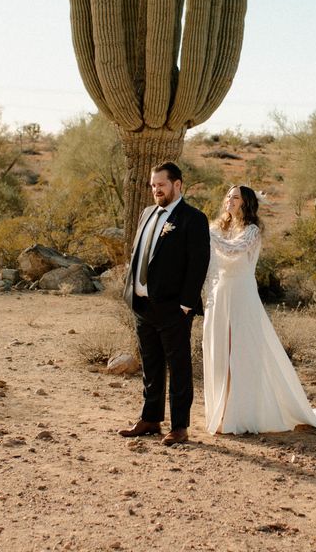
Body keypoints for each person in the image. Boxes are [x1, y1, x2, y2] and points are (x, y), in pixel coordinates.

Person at [203, 185, 316, 435]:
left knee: (239, 352)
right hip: (221, 293)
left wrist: (205, 233)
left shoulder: (252, 231)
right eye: (228, 196)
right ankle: (221, 410)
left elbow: (233, 250)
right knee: (221, 351)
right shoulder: (217, 228)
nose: (229, 200)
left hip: (241, 294)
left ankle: (236, 413)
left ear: (246, 203)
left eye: (235, 197)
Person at [120, 162, 210, 446]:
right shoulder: (147, 213)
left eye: (161, 185)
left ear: (177, 184)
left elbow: (198, 263)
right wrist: (132, 293)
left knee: (179, 367)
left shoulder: (193, 218)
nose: (156, 190)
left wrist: (186, 305)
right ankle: (150, 419)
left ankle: (180, 426)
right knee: (151, 364)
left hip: (174, 308)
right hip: (142, 305)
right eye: (153, 185)